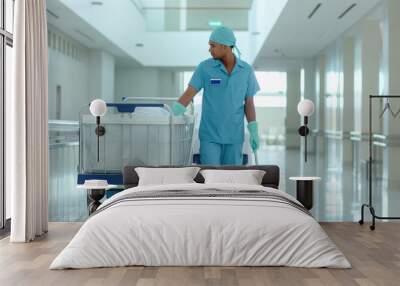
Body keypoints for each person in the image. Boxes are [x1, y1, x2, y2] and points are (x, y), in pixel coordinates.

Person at [172, 26, 260, 165]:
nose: (209, 49)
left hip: (234, 137)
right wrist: (172, 116)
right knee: (211, 180)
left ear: (225, 46)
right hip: (210, 136)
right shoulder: (205, 68)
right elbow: (189, 93)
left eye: (212, 46)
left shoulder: (246, 71)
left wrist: (253, 129)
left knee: (232, 181)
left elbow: (249, 103)